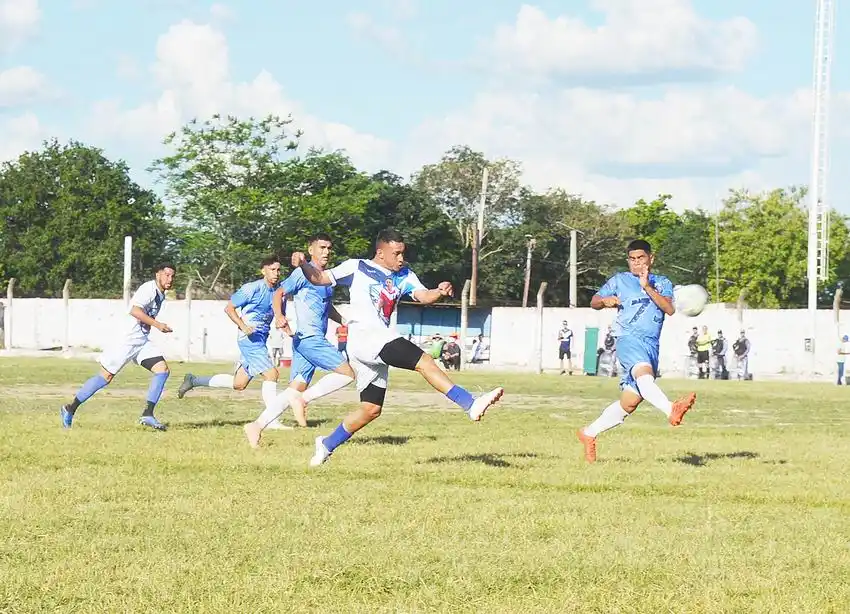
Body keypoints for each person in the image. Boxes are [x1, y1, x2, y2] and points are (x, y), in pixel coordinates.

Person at [290, 228, 504, 467]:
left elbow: (423, 296)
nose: (401, 258)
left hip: (374, 346)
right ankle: (469, 403)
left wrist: (439, 292)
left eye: (403, 253)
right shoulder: (356, 266)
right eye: (397, 253)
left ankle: (326, 444)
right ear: (381, 253)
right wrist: (302, 265)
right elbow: (319, 278)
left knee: (371, 409)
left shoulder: (405, 275)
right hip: (366, 338)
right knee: (424, 361)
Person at [576, 240, 696, 463]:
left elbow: (668, 309)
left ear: (651, 258)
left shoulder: (662, 282)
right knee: (644, 373)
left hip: (651, 345)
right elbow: (593, 301)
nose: (636, 262)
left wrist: (647, 287)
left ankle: (588, 433)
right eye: (632, 259)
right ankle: (671, 409)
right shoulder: (619, 280)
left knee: (629, 403)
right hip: (628, 339)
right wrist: (604, 300)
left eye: (641, 258)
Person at [243, 234, 357, 446]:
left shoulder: (326, 278)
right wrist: (279, 316)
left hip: (306, 340)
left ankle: (257, 425)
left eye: (329, 248)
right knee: (347, 374)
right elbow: (278, 292)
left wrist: (344, 321)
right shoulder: (301, 274)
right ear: (311, 250)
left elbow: (326, 306)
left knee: (294, 389)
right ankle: (303, 401)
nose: (326, 252)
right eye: (322, 247)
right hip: (309, 338)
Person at [60, 263, 176, 430]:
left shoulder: (160, 294)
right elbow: (135, 311)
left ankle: (147, 414)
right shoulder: (148, 289)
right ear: (157, 274)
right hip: (127, 341)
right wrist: (158, 325)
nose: (170, 279)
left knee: (162, 370)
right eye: (166, 275)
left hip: (141, 341)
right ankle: (69, 409)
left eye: (172, 276)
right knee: (105, 376)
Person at [176, 255, 286, 429]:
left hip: (261, 340)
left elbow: (280, 317)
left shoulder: (280, 293)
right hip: (249, 340)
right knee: (272, 374)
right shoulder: (252, 289)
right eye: (272, 269)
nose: (276, 273)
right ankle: (271, 420)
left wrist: (290, 332)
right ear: (263, 270)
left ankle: (193, 380)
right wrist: (243, 326)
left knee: (239, 384)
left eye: (279, 270)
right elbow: (229, 308)